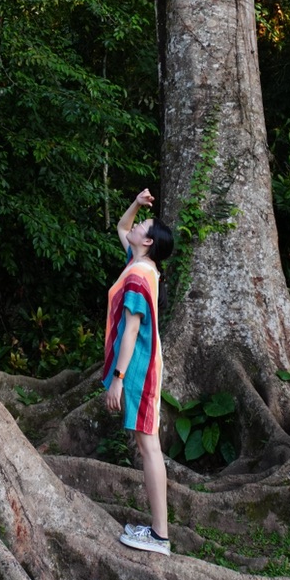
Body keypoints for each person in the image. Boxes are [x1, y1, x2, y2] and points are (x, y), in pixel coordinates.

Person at [102, 186, 174, 554]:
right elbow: (120, 225)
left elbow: (131, 330)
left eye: (143, 224)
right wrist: (136, 204)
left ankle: (160, 536)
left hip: (139, 371)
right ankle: (156, 530)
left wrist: (117, 379)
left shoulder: (137, 276)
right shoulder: (142, 264)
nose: (136, 225)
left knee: (149, 447)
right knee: (147, 446)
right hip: (142, 366)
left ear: (146, 241)